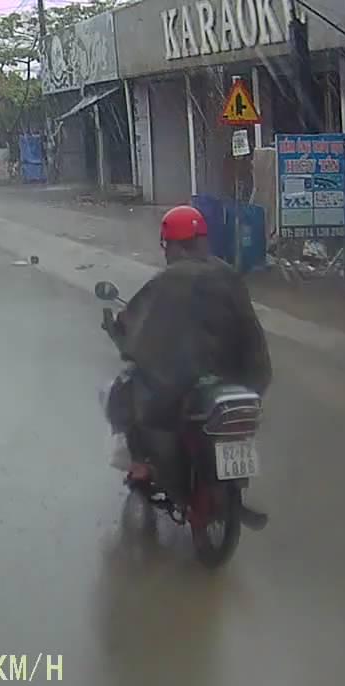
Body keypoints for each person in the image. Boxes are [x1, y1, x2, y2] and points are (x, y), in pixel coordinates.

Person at [110, 205, 272, 503]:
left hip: (184, 384)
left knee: (125, 388)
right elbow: (249, 329)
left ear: (172, 245)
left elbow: (137, 323)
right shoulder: (228, 274)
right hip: (239, 379)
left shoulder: (169, 280)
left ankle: (141, 465)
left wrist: (120, 329)